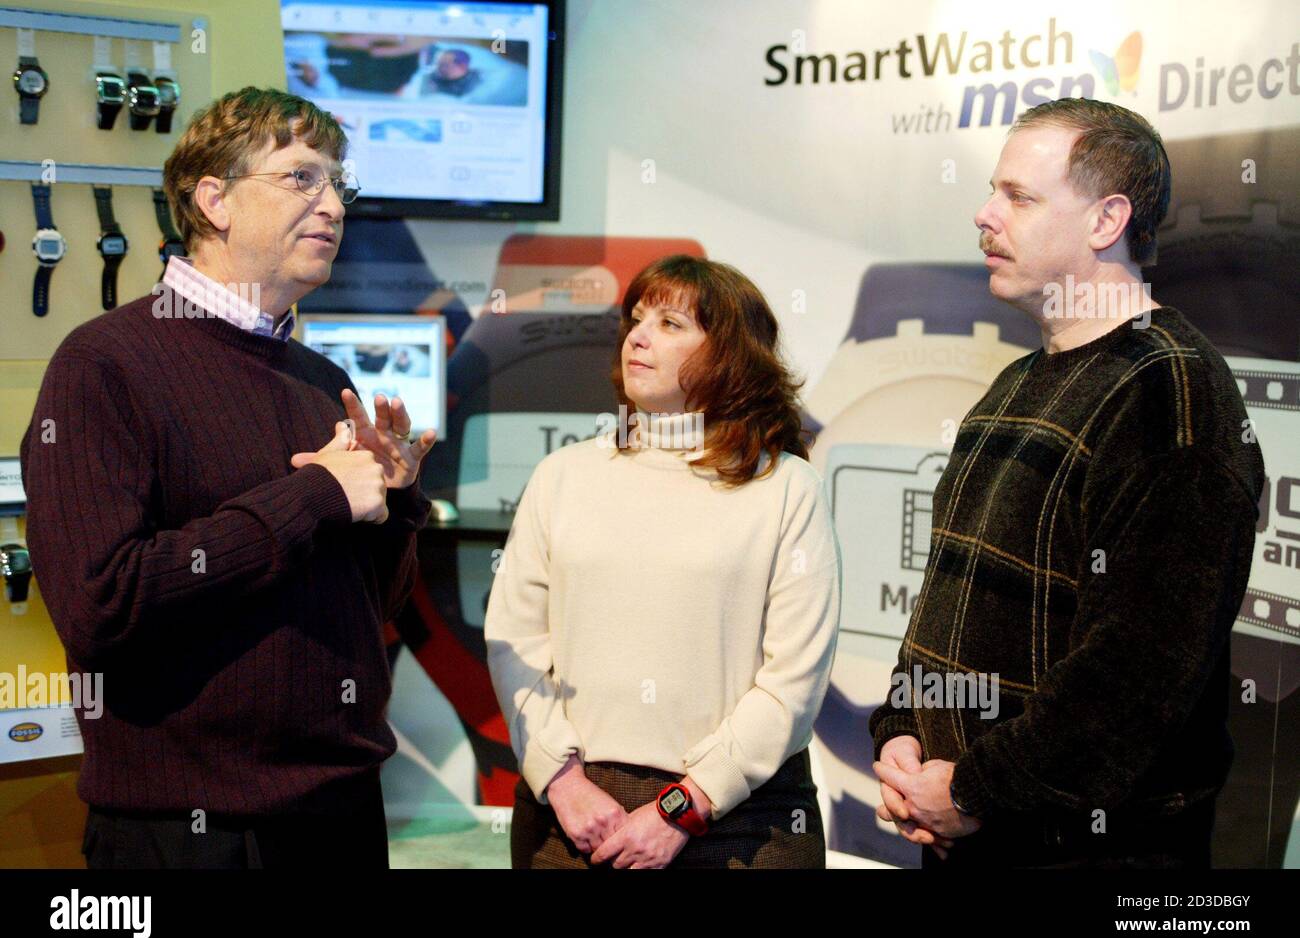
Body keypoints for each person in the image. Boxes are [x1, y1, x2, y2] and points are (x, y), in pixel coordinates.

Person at [19, 87, 437, 868]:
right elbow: (99, 604)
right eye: (301, 177)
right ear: (214, 200)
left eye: (338, 184)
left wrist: (394, 500)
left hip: (342, 814)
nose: (333, 205)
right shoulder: (103, 364)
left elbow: (368, 609)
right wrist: (313, 498)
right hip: (191, 834)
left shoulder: (323, 381)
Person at [868, 98, 1265, 868]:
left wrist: (973, 789)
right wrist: (903, 730)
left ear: (1106, 219)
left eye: (1019, 196)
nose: (985, 215)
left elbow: (1134, 679)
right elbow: (946, 604)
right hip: (967, 840)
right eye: (993, 190)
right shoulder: (1015, 383)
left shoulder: (1171, 391)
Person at [485, 255, 841, 868]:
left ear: (730, 355)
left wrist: (685, 806)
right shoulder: (562, 475)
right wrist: (564, 785)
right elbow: (514, 641)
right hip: (573, 814)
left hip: (742, 820)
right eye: (636, 319)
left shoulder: (787, 487)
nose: (638, 337)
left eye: (670, 323)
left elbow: (794, 681)